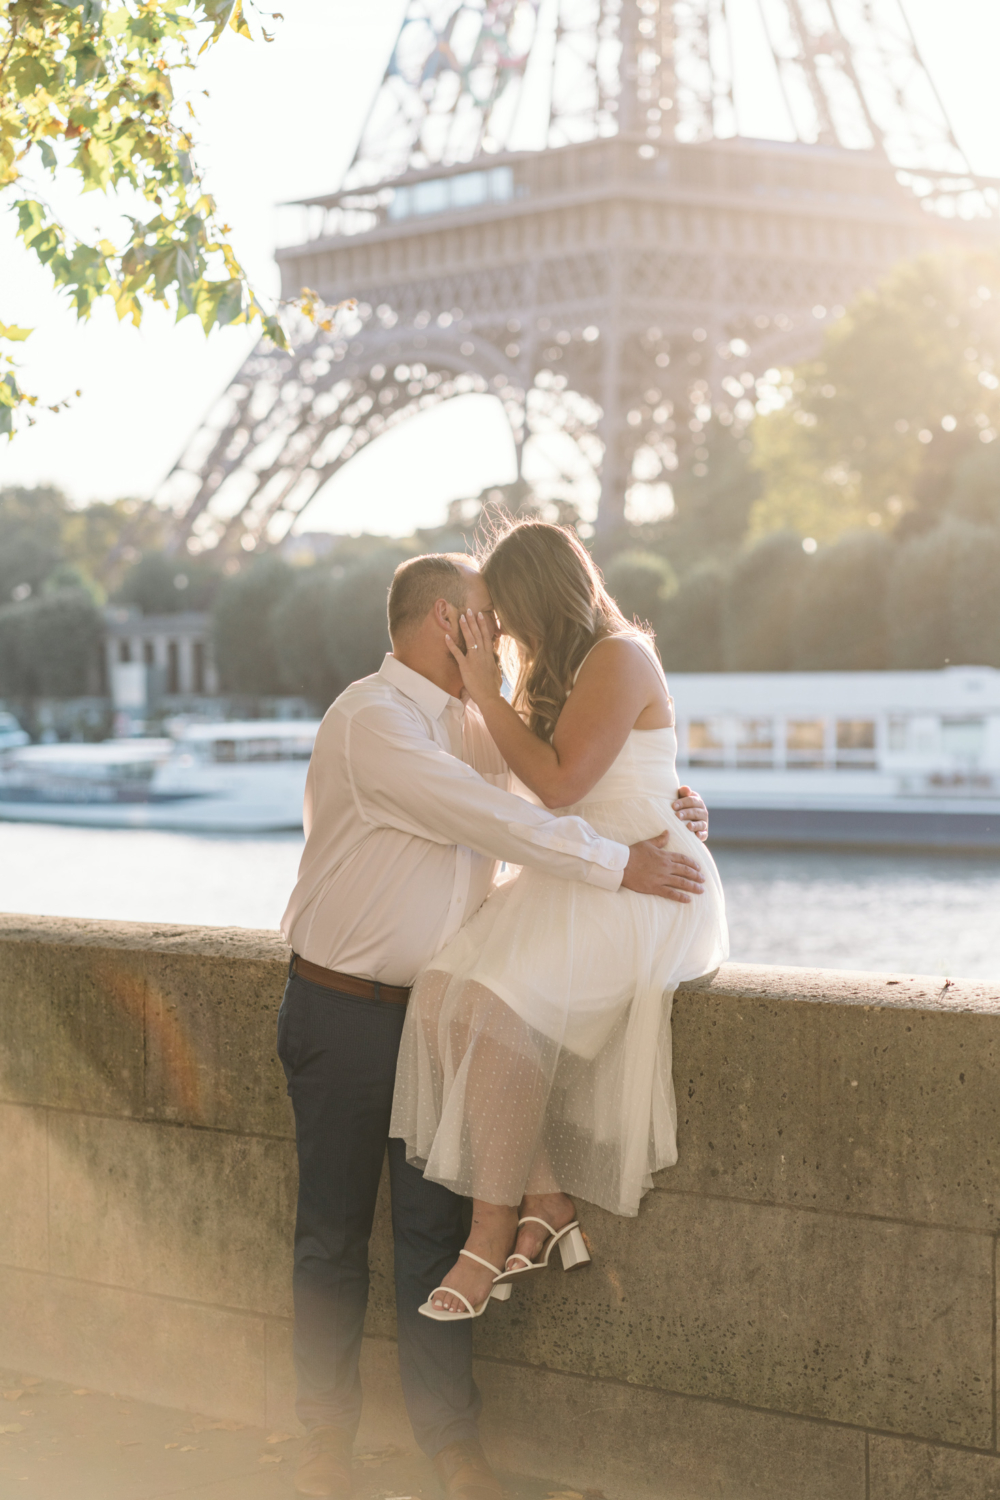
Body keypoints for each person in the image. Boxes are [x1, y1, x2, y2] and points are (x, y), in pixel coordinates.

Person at [278, 549, 712, 1500]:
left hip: (438, 1015)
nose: (502, 634)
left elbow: (560, 791)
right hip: (346, 1011)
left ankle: (449, 1443)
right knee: (330, 1235)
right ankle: (323, 1440)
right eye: (487, 618)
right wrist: (622, 864)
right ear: (446, 621)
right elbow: (504, 820)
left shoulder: (476, 722)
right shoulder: (372, 722)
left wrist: (660, 803)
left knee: (435, 1231)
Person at [390, 521, 728, 1323]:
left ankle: (490, 1232)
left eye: (503, 613)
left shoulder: (617, 655)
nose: (497, 632)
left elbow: (565, 783)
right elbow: (539, 793)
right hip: (586, 872)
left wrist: (481, 689)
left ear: (539, 596)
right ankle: (545, 1199)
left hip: (650, 886)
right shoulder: (557, 671)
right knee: (444, 992)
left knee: (498, 1004)